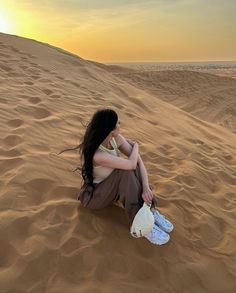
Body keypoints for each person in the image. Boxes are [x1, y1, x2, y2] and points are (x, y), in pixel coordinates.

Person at [63, 108, 173, 245]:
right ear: (111, 130)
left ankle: (151, 211)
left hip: (112, 190)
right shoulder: (98, 155)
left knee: (129, 169)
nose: (120, 125)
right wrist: (136, 145)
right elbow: (131, 164)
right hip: (95, 197)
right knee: (124, 171)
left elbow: (138, 163)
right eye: (118, 123)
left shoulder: (116, 139)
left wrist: (146, 188)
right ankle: (141, 224)